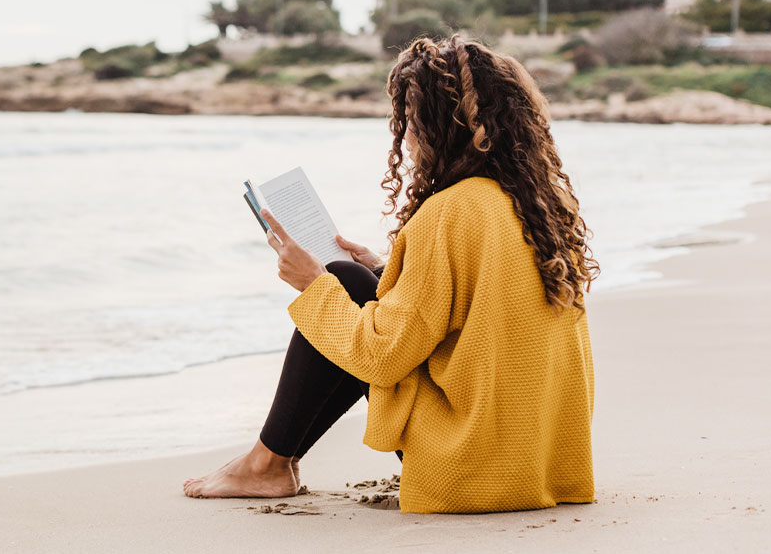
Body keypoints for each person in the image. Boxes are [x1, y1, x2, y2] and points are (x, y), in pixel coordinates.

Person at [182, 35, 599, 514]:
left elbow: (382, 357)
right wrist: (385, 271)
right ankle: (269, 463)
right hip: (542, 459)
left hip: (473, 464)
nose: (408, 140)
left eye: (411, 123)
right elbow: (484, 309)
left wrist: (313, 285)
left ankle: (266, 465)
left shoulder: (447, 214)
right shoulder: (541, 205)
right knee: (356, 281)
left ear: (441, 127)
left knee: (338, 284)